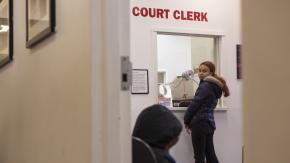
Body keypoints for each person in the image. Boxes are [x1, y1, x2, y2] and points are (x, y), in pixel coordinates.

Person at [183, 61, 230, 163]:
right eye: (199, 70)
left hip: (199, 123)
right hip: (209, 124)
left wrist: (186, 120)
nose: (200, 73)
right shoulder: (214, 87)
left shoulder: (205, 86)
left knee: (199, 157)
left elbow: (195, 104)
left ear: (211, 73)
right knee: (210, 155)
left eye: (204, 71)